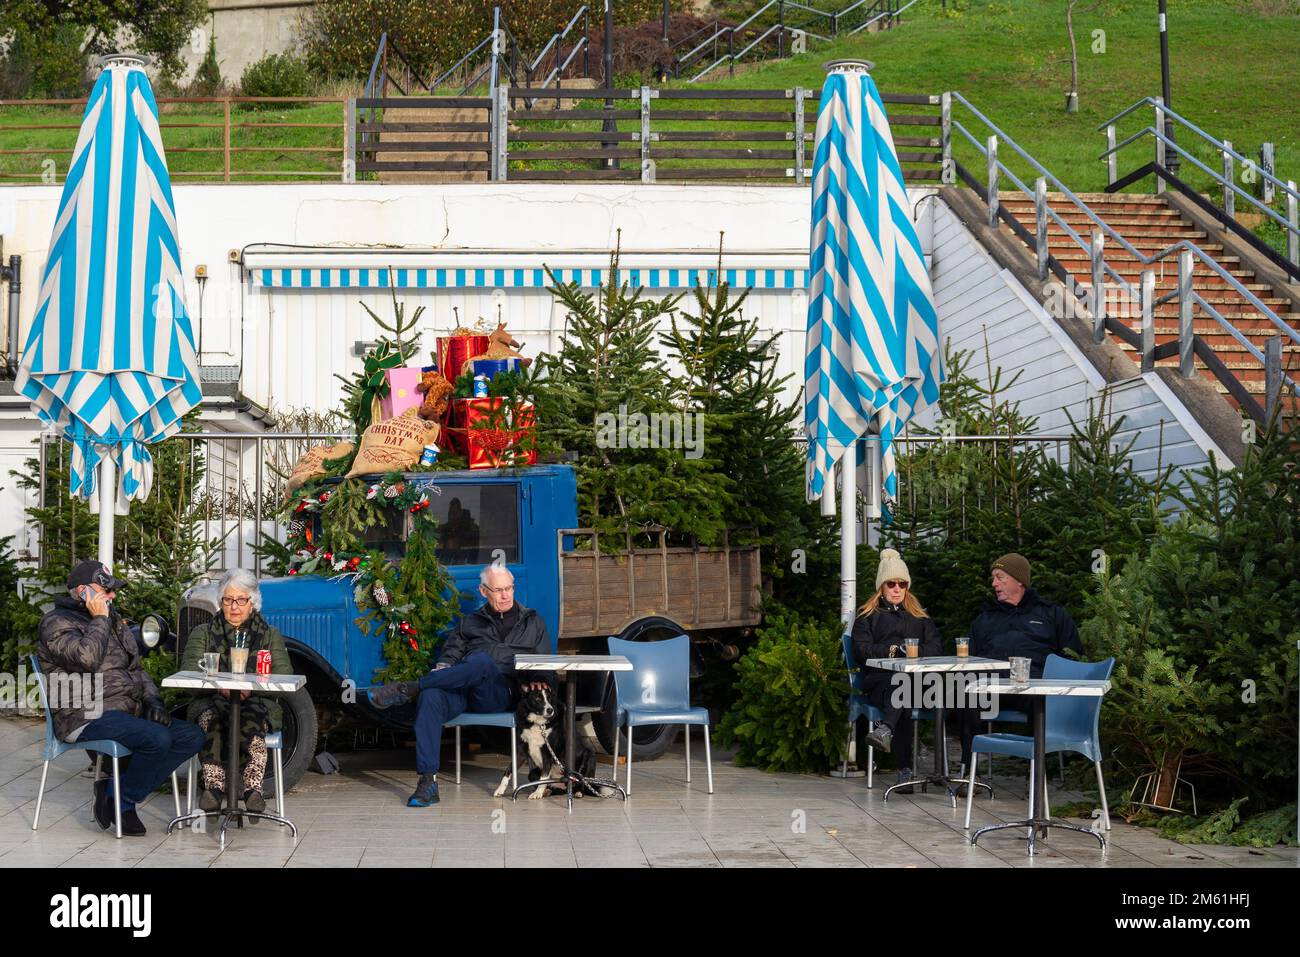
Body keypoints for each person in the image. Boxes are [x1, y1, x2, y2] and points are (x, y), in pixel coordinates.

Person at [36, 559, 205, 837]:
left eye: (113, 591)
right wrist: (100, 618)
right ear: (82, 592)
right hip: (84, 713)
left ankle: (115, 794)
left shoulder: (114, 620)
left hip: (124, 710)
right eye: (106, 591)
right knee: (157, 739)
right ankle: (124, 804)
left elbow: (135, 669)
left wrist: (153, 702)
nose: (112, 596)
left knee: (191, 736)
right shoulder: (55, 623)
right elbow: (86, 658)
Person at [367, 566, 553, 807]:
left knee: (483, 662)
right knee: (432, 696)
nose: (506, 595)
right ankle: (427, 782)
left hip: (501, 692)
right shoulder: (470, 622)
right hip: (464, 691)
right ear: (483, 591)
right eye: (498, 590)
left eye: (509, 589)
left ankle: (411, 688)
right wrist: (444, 666)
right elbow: (450, 655)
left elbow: (547, 663)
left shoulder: (532, 622)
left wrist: (542, 678)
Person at [179, 569, 292, 816]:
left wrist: (249, 691)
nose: (234, 607)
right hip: (213, 701)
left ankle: (253, 791)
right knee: (213, 719)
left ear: (253, 603)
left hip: (256, 703)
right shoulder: (204, 633)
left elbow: (284, 675)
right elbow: (188, 675)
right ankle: (215, 790)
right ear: (221, 602)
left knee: (252, 719)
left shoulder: (270, 635)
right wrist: (219, 687)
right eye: (228, 600)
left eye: (241, 600)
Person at [957, 553, 1083, 773]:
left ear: (1019, 580)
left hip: (1032, 688)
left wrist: (1052, 682)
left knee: (1041, 703)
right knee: (965, 697)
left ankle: (1037, 773)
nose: (994, 584)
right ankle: (970, 770)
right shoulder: (986, 618)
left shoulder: (1051, 614)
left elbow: (1073, 655)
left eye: (999, 577)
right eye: (993, 578)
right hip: (993, 688)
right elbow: (970, 660)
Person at [852, 549, 941, 792]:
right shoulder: (867, 616)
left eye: (902, 584)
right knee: (901, 689)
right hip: (880, 681)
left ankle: (886, 730)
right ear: (881, 586)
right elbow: (861, 650)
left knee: (916, 688)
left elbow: (935, 647)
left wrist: (914, 650)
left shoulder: (919, 617)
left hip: (918, 682)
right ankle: (905, 770)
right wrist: (894, 650)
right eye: (892, 583)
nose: (897, 589)